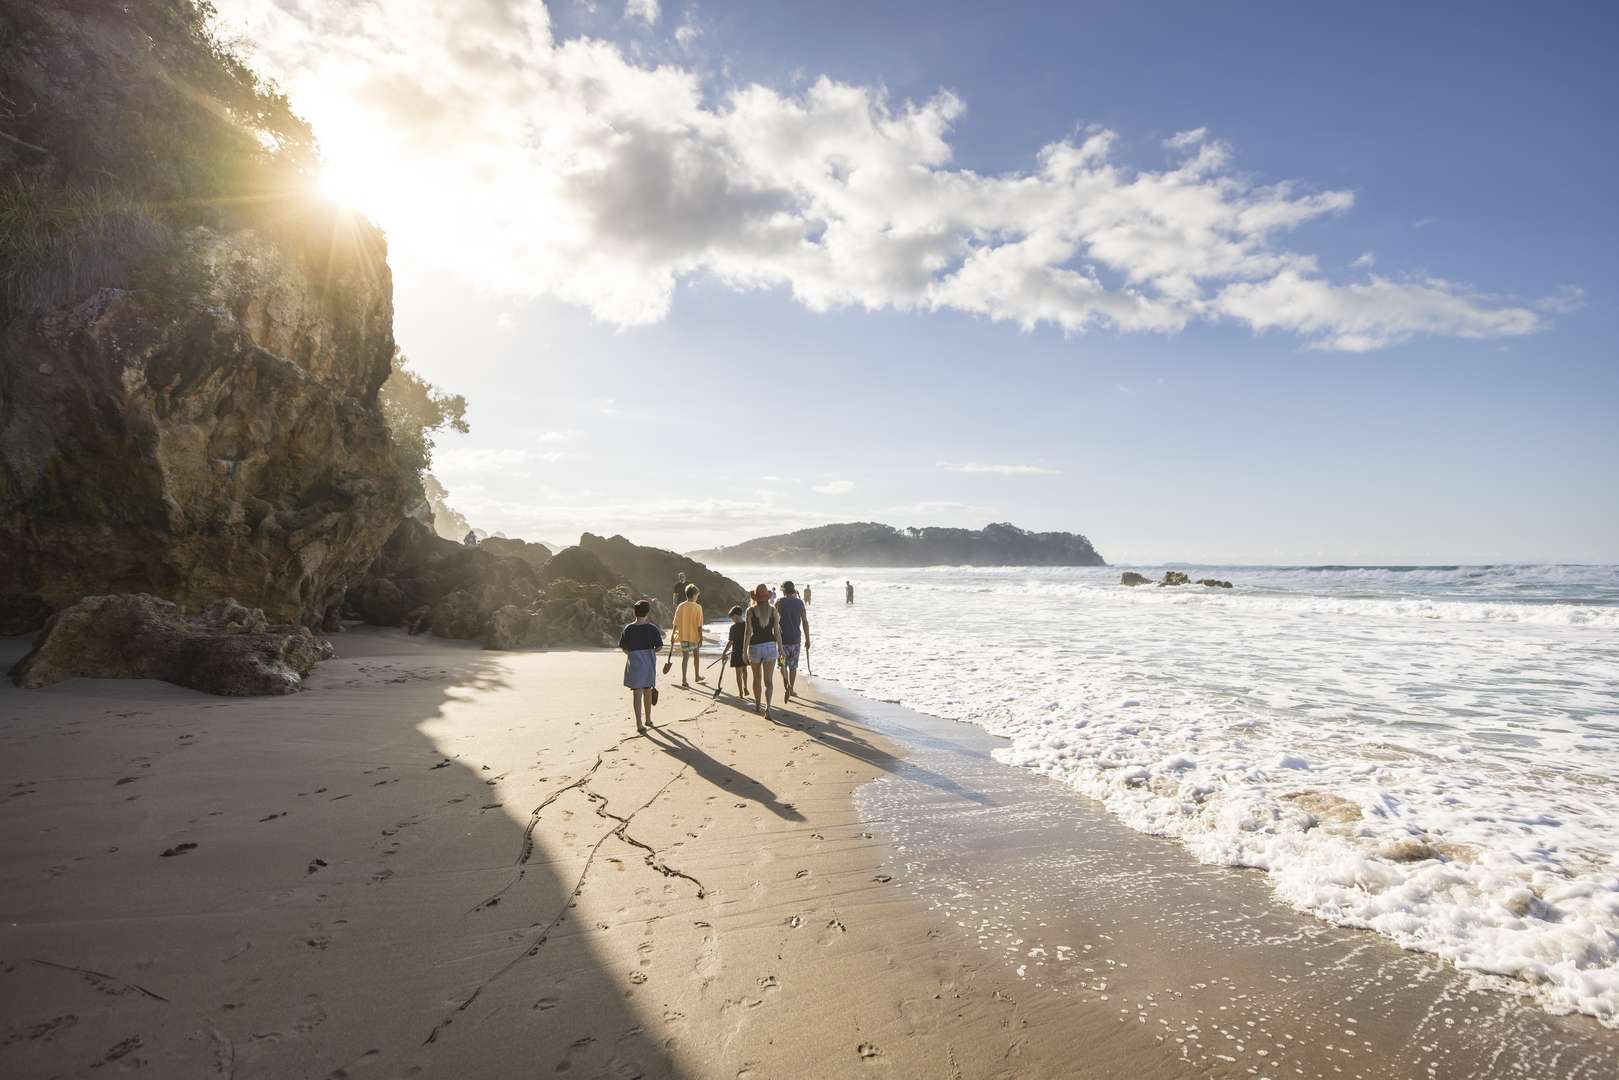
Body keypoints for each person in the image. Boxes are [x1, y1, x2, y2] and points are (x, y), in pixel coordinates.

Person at [619, 599, 663, 733]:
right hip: (648, 665)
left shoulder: (628, 628)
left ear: (634, 612)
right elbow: (659, 647)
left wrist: (632, 654)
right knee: (647, 692)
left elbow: (624, 647)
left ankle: (639, 724)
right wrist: (650, 653)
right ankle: (648, 720)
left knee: (637, 694)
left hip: (635, 665)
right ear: (647, 613)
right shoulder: (652, 629)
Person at [741, 583, 783, 717]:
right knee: (768, 681)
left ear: (756, 597)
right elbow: (777, 632)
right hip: (770, 646)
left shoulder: (750, 611)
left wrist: (744, 651)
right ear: (767, 597)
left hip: (754, 647)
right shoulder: (773, 611)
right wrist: (781, 648)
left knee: (756, 678)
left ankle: (758, 706)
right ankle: (768, 708)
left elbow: (748, 633)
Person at [775, 580, 810, 702]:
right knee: (793, 666)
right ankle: (791, 688)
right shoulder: (800, 603)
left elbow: (773, 620)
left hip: (782, 640)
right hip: (796, 639)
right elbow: (805, 622)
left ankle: (786, 684)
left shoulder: (779, 602)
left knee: (782, 665)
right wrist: (808, 639)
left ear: (783, 591)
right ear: (793, 590)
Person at [673, 583, 706, 687]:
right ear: (694, 595)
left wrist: (673, 635)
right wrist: (701, 637)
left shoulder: (681, 606)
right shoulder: (698, 607)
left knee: (685, 657)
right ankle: (696, 676)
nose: (697, 597)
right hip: (694, 636)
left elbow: (676, 622)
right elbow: (699, 624)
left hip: (683, 636)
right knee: (696, 655)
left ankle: (684, 679)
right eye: (697, 595)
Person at [719, 605, 748, 698]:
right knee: (744, 670)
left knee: (738, 673)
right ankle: (745, 687)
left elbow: (730, 642)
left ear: (736, 615)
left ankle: (741, 693)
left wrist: (724, 652)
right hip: (745, 652)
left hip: (736, 652)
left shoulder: (733, 627)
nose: (732, 619)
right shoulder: (747, 625)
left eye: (732, 617)